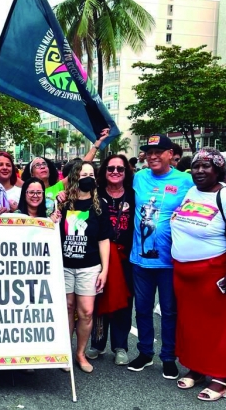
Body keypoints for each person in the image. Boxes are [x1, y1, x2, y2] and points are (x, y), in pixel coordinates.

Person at [171, 148, 226, 401]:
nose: (199, 171)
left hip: (215, 273)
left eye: (206, 166)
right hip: (184, 273)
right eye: (196, 166)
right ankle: (196, 368)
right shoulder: (191, 192)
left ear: (219, 170)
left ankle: (221, 378)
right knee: (192, 325)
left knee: (219, 328)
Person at [128, 134, 193, 380]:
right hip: (140, 260)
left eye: (159, 151)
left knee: (169, 311)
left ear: (170, 154)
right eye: (149, 152)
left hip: (169, 261)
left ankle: (168, 357)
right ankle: (145, 353)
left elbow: (209, 193)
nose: (152, 156)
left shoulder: (185, 180)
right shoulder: (139, 178)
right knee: (142, 309)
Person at [59, 161, 111, 373]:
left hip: (89, 267)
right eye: (82, 174)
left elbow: (104, 240)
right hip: (64, 266)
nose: (87, 177)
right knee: (67, 309)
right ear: (74, 177)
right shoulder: (62, 202)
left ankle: (80, 353)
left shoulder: (100, 205)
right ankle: (64, 351)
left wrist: (104, 270)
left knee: (87, 311)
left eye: (90, 173)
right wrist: (57, 201)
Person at [87, 155, 135, 366]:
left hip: (126, 257)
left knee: (123, 302)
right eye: (110, 168)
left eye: (120, 169)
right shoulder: (93, 195)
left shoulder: (135, 195)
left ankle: (120, 346)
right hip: (99, 256)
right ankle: (97, 344)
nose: (115, 172)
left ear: (126, 172)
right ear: (104, 171)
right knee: (97, 299)